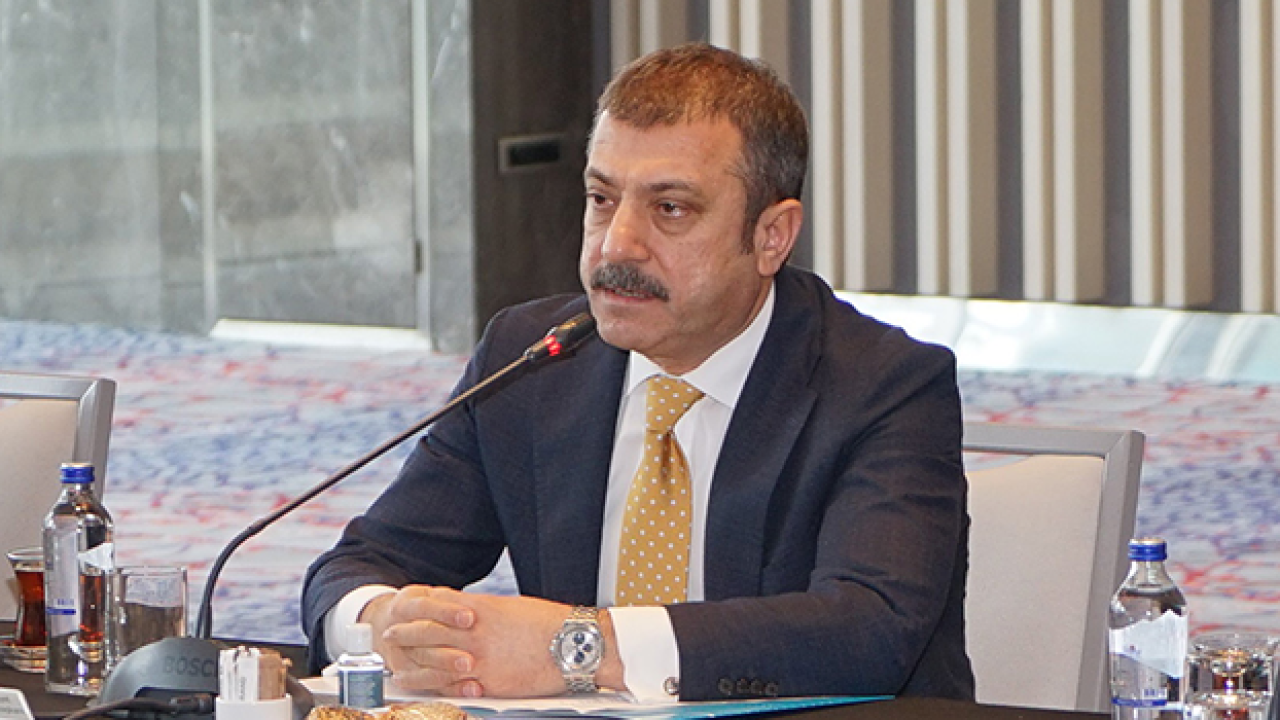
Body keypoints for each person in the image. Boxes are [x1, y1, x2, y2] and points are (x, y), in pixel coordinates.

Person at [302, 42, 974, 703]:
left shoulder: (884, 385)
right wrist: (380, 624)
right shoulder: (530, 361)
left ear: (771, 236)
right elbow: (358, 568)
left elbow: (868, 630)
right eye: (602, 198)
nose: (617, 245)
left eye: (670, 208)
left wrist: (580, 647)